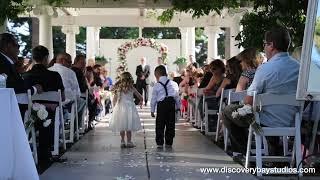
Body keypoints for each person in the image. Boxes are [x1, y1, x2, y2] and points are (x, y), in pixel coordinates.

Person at [223, 27, 300, 158]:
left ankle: (242, 154)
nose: (263, 48)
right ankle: (274, 150)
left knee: (228, 111)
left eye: (265, 44)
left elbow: (248, 100)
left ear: (271, 45)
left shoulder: (265, 69)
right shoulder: (299, 67)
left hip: (266, 120)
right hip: (295, 120)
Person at [22, 45, 65, 172]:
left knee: (40, 114)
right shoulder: (55, 75)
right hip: (50, 114)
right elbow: (61, 98)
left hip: (30, 114)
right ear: (46, 58)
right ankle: (46, 154)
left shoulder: (25, 76)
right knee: (50, 115)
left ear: (34, 58)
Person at [0, 33, 42, 118]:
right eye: (17, 46)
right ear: (8, 46)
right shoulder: (4, 63)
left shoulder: (6, 61)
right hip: (8, 111)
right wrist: (35, 89)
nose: (19, 50)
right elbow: (14, 86)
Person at [109, 72, 143, 148]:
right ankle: (129, 141)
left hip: (120, 108)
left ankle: (122, 141)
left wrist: (115, 107)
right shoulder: (132, 88)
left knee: (122, 125)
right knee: (128, 125)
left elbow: (114, 100)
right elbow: (140, 97)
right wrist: (141, 101)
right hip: (130, 108)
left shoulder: (118, 88)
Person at [151, 65, 180, 149]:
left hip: (161, 106)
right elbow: (177, 97)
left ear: (157, 75)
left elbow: (153, 99)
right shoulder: (174, 84)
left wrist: (152, 110)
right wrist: (178, 107)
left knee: (160, 124)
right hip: (171, 104)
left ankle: (160, 142)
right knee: (170, 123)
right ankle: (169, 142)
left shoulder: (157, 85)